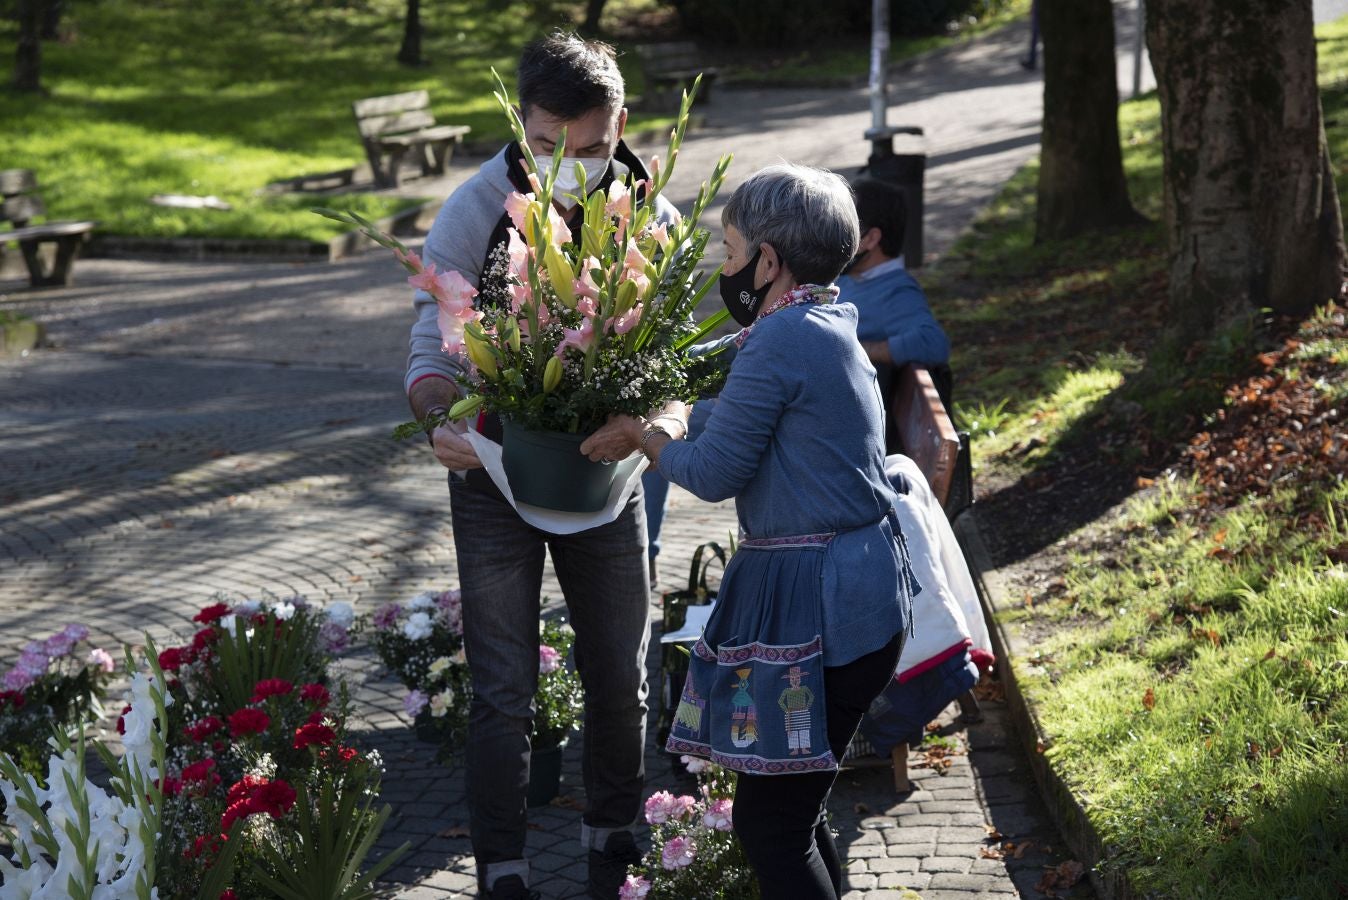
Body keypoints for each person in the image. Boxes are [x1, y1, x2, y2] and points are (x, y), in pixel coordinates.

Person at [580, 163, 919, 899]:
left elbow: (711, 470)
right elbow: (720, 382)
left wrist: (645, 435)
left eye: (730, 254)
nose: (725, 270)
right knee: (790, 816)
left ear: (770, 261)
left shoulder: (782, 338)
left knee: (770, 827)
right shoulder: (821, 318)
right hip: (856, 597)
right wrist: (630, 367)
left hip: (828, 607)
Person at [404, 32, 677, 900]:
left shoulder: (653, 211)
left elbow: (679, 368)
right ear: (519, 122)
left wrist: (648, 421)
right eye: (546, 145)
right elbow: (427, 342)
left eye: (588, 148)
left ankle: (614, 833)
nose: (566, 165)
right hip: (492, 478)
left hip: (608, 484)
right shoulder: (476, 205)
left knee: (618, 670)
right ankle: (504, 865)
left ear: (621, 124)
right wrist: (438, 418)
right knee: (503, 689)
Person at [835, 176, 951, 450]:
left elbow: (934, 342)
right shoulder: (854, 276)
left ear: (871, 238)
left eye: (844, 227)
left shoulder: (897, 291)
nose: (833, 235)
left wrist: (859, 349)